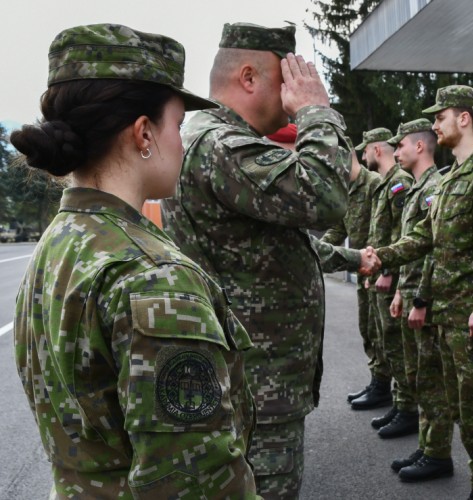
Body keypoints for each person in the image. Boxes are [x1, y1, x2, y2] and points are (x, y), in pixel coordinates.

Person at [11, 24, 258, 498]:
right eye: (178, 126)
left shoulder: (59, 241)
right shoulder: (154, 277)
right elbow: (195, 483)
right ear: (144, 133)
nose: (183, 144)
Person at [160, 22, 352, 498]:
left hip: (254, 380)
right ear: (248, 77)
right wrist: (316, 110)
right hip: (256, 386)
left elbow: (265, 247)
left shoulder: (215, 140)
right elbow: (325, 195)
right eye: (288, 78)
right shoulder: (223, 144)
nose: (295, 91)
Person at [373, 85, 473, 500]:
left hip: (471, 317)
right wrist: (377, 257)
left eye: (440, 117)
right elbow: (426, 241)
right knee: (461, 409)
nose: (435, 125)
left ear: (463, 119)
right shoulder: (452, 179)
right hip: (447, 317)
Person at [384, 118, 455, 482]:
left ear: (420, 147)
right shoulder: (417, 189)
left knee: (431, 379)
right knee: (419, 377)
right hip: (411, 291)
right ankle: (429, 445)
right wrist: (400, 290)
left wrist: (421, 299)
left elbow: (431, 251)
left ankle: (438, 451)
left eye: (401, 146)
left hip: (425, 297)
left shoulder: (434, 187)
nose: (396, 152)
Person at [351, 129, 416, 431]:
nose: (363, 157)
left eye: (365, 151)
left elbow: (404, 235)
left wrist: (388, 272)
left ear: (377, 150)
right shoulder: (387, 184)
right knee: (386, 341)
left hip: (392, 276)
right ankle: (399, 403)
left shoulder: (400, 183)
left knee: (397, 344)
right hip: (380, 273)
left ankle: (407, 408)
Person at [319, 139, 384, 404]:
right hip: (360, 269)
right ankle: (377, 381)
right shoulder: (344, 190)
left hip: (378, 268)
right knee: (367, 329)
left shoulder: (375, 184)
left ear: (350, 156)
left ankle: (386, 387)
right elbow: (338, 229)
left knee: (383, 333)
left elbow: (387, 228)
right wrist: (317, 249)